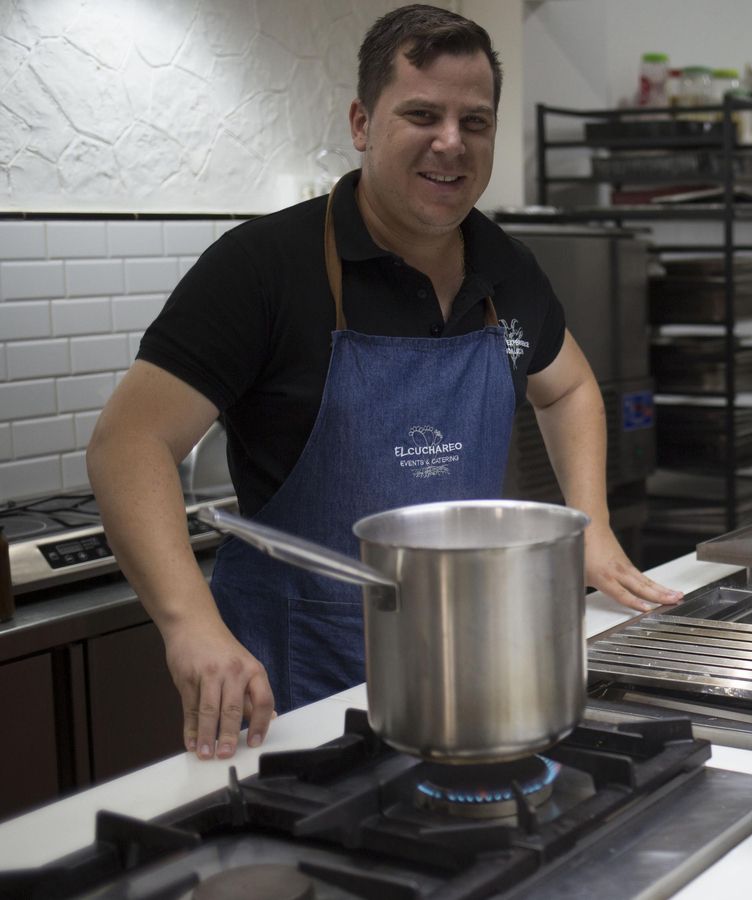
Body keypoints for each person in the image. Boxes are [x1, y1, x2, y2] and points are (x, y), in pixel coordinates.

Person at [85, 4, 681, 763]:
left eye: (476, 121)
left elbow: (566, 389)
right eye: (422, 114)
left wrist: (590, 523)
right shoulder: (263, 268)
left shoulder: (508, 269)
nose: (451, 143)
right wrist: (190, 627)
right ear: (363, 122)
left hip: (462, 670)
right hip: (292, 689)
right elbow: (127, 442)